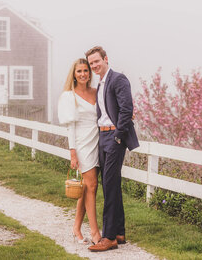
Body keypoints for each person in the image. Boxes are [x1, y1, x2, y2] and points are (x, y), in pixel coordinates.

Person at [85, 46, 139, 252]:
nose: (94, 66)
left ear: (106, 59)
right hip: (103, 135)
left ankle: (108, 238)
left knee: (109, 183)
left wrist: (118, 136)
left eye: (97, 61)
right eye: (91, 64)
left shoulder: (118, 79)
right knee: (111, 185)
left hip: (115, 137)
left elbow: (127, 109)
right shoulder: (100, 83)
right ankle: (119, 231)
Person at [58, 58, 102, 245]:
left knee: (87, 188)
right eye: (79, 71)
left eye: (86, 70)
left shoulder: (96, 92)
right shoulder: (70, 96)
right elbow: (71, 128)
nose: (83, 74)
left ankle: (76, 228)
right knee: (91, 186)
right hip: (82, 145)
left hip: (98, 142)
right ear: (74, 75)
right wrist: (73, 153)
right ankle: (95, 232)